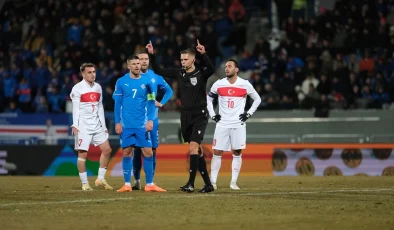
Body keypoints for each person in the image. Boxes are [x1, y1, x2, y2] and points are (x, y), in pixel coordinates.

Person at [146, 40, 215, 193]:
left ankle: (190, 183)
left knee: (193, 147)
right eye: (182, 59)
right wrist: (153, 55)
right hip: (185, 115)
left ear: (193, 59)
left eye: (186, 59)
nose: (183, 62)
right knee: (197, 151)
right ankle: (208, 184)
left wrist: (204, 54)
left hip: (200, 114)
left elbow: (211, 68)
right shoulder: (179, 73)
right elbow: (159, 70)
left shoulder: (201, 72)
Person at [113, 55, 166, 192]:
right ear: (128, 66)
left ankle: (149, 184)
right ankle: (127, 185)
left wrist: (149, 120)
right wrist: (117, 122)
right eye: (134, 64)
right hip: (127, 124)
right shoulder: (121, 82)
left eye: (138, 63)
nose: (137, 65)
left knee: (148, 152)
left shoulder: (148, 82)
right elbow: (117, 104)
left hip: (142, 124)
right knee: (127, 151)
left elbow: (151, 102)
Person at [206, 59, 261, 190]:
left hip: (238, 124)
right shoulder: (218, 84)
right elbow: (208, 99)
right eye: (226, 66)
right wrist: (213, 115)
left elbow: (257, 99)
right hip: (222, 123)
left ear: (236, 69)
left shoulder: (245, 84)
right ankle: (213, 182)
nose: (227, 68)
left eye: (230, 66)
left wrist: (248, 114)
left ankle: (233, 182)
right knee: (217, 151)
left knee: (237, 152)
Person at [132, 51, 173, 190]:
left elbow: (169, 91)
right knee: (137, 150)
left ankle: (151, 181)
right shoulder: (131, 78)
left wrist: (161, 103)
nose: (143, 61)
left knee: (153, 150)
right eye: (140, 59)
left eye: (146, 59)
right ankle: (137, 180)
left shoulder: (156, 77)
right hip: (136, 119)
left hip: (152, 119)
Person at [70, 63, 113, 191]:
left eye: (94, 72)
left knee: (107, 150)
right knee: (82, 155)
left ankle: (100, 179)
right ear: (83, 74)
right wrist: (75, 125)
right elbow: (75, 109)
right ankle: (85, 184)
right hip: (83, 126)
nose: (92, 74)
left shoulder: (98, 87)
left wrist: (104, 126)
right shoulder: (77, 89)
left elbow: (100, 107)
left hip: (97, 125)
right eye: (89, 72)